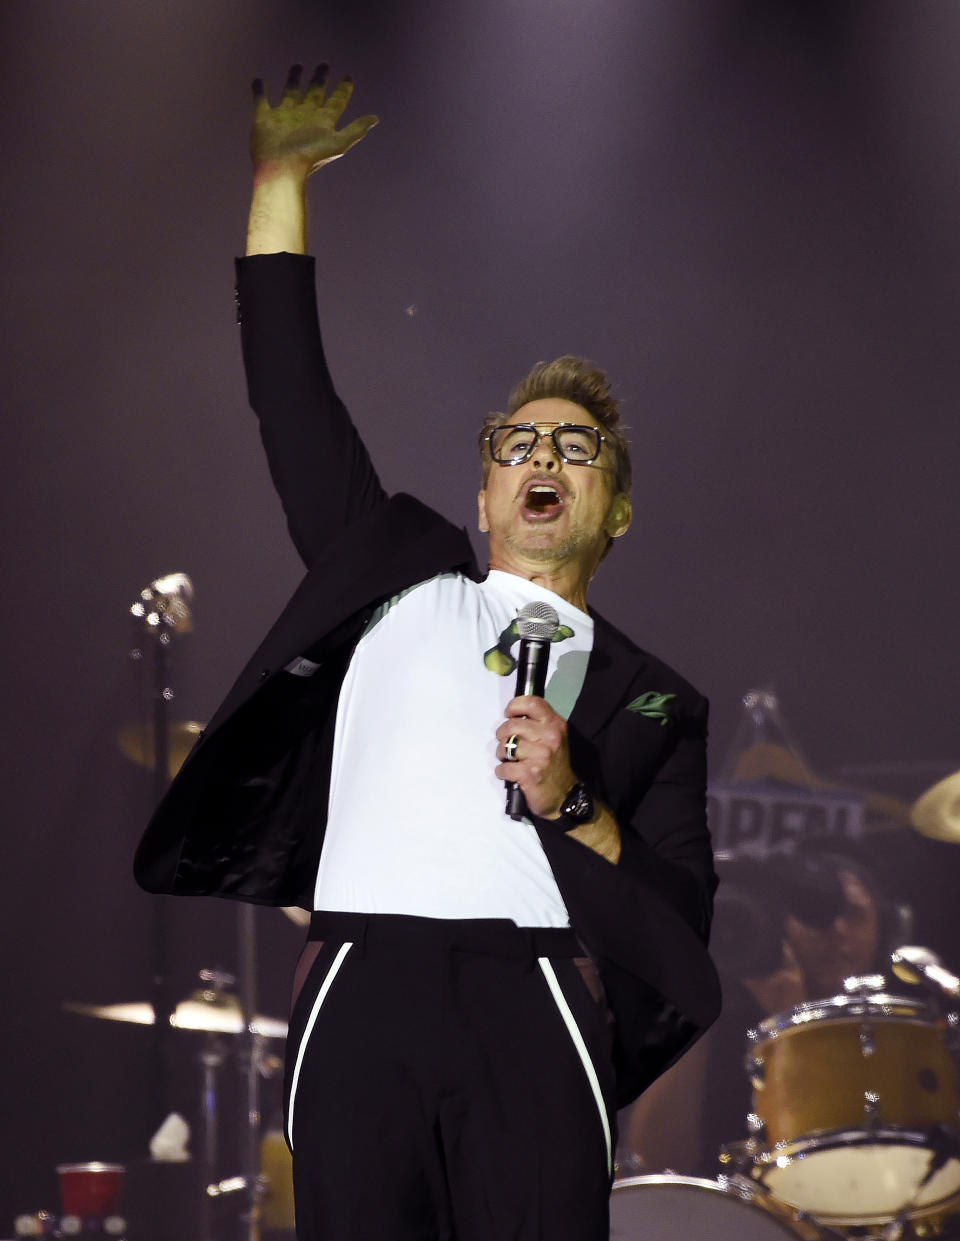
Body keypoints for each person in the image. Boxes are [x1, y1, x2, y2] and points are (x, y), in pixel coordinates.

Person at [134, 64, 720, 1241]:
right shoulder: (400, 580)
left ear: (615, 509)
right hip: (368, 979)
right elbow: (292, 399)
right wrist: (278, 181)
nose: (544, 452)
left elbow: (677, 935)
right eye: (519, 440)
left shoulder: (653, 701)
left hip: (536, 992)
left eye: (579, 446)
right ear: (486, 487)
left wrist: (577, 806)